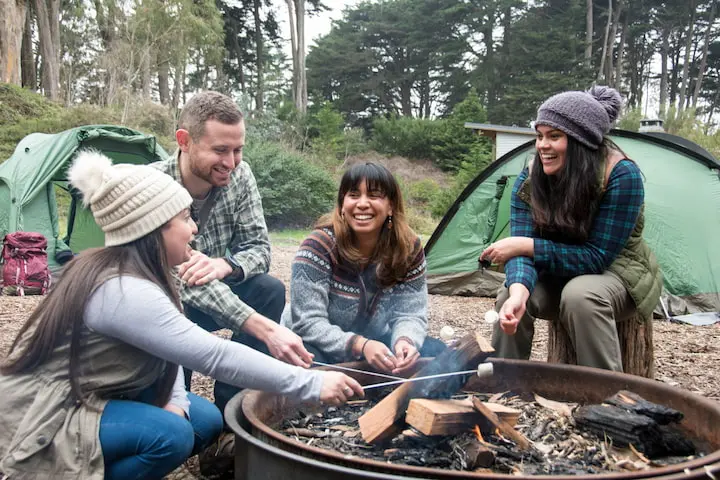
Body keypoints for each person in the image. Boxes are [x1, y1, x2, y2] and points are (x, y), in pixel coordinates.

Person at [0, 151, 363, 480]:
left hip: (91, 394)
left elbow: (170, 345)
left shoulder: (143, 271)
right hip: (47, 413)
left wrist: (174, 401)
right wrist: (312, 383)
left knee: (202, 420)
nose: (194, 229)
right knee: (170, 437)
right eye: (185, 218)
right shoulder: (122, 289)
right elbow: (212, 354)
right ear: (152, 227)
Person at [479, 86, 662, 372]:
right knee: (509, 296)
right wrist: (518, 292)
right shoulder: (530, 178)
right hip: (557, 272)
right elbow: (523, 254)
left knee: (581, 296)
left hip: (616, 271)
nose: (542, 146)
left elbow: (596, 258)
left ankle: (606, 400)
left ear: (580, 141)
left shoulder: (621, 175)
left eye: (554, 136)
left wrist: (527, 246)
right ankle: (503, 389)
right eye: (539, 136)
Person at [152, 91, 313, 413]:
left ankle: (234, 408)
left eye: (238, 150)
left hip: (212, 285)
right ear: (184, 141)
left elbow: (259, 248)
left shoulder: (240, 176)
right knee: (171, 305)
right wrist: (258, 325)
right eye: (220, 150)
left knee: (268, 289)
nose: (231, 162)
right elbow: (176, 277)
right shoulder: (152, 185)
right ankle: (176, 404)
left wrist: (226, 265)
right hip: (166, 304)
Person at [281, 162, 445, 376]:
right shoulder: (318, 247)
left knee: (441, 355)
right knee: (315, 371)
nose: (362, 204)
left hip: (373, 341)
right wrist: (361, 345)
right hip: (312, 342)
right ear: (342, 204)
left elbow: (410, 313)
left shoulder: (408, 248)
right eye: (354, 195)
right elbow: (308, 323)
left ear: (391, 206)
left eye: (374, 195)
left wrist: (405, 340)